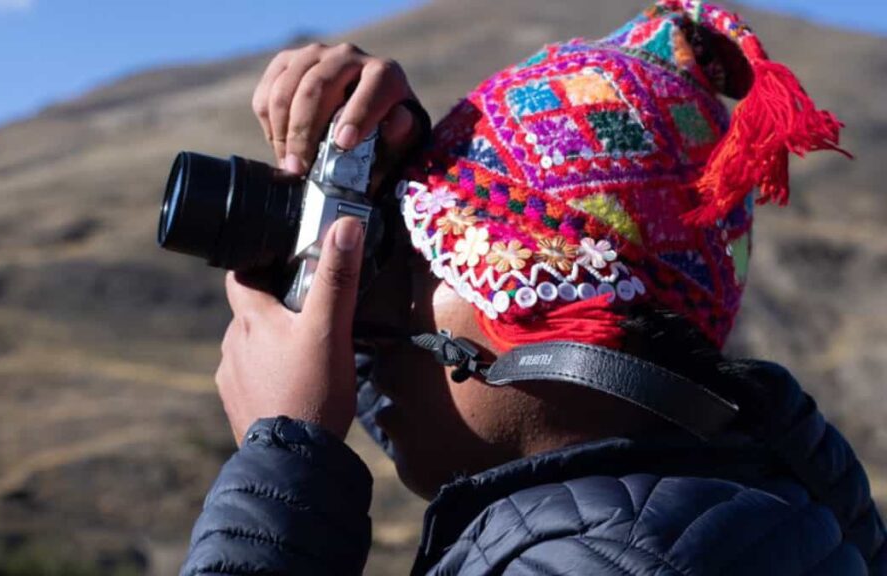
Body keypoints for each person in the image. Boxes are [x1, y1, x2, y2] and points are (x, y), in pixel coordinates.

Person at [181, 1, 886, 574]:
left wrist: (282, 472)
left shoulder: (606, 563)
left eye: (420, 258)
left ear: (555, 307)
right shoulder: (717, 520)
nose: (380, 305)